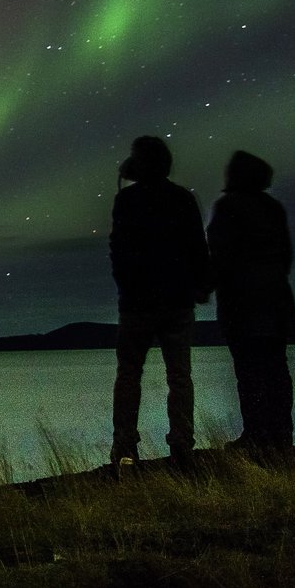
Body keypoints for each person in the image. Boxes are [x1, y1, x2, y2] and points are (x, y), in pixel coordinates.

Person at [108, 136, 211, 466]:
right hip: (177, 301)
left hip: (137, 303)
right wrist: (201, 285)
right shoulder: (182, 199)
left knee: (129, 375)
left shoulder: (127, 200)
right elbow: (198, 246)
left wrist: (127, 286)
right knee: (179, 376)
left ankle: (124, 447)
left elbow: (119, 251)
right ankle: (182, 445)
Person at [208, 150, 295, 452]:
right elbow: (286, 257)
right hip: (276, 302)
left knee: (249, 372)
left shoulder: (228, 207)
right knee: (276, 371)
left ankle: (257, 436)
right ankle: (280, 435)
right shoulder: (273, 208)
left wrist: (206, 286)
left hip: (242, 304)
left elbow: (220, 257)